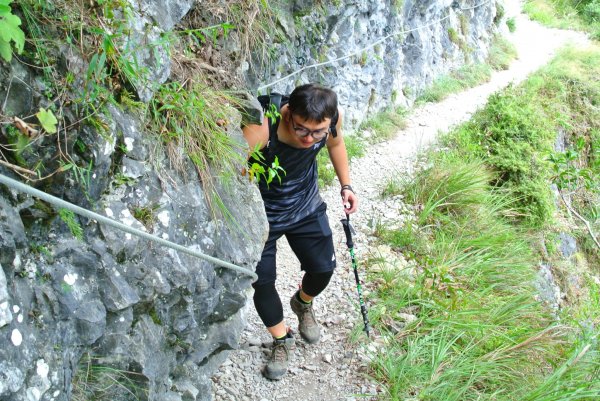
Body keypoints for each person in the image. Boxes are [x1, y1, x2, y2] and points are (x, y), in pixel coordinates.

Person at [242, 83, 359, 380]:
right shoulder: (264, 125)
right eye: (302, 130)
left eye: (317, 132)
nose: (309, 139)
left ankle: (302, 302)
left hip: (305, 205)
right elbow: (233, 171)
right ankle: (282, 339)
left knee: (323, 269)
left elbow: (335, 144)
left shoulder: (332, 121)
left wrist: (346, 185)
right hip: (262, 216)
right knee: (263, 281)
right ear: (288, 114)